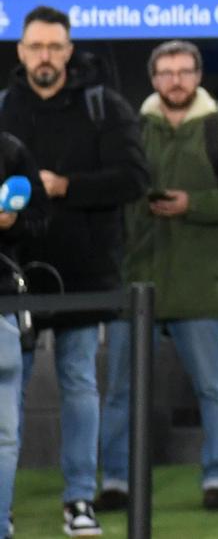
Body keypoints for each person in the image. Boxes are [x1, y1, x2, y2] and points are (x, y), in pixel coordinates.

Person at [1, 6, 147, 539]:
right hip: (13, 277)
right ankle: (2, 509)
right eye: (35, 46)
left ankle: (79, 500)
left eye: (54, 47)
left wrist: (67, 186)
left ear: (69, 49)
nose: (45, 56)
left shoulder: (104, 106)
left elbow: (135, 178)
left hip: (86, 273)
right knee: (6, 397)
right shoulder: (2, 110)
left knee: (80, 384)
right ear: (20, 50)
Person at [97, 41, 218, 515]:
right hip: (134, 280)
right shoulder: (128, 130)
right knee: (121, 391)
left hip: (200, 282)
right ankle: (115, 481)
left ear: (198, 75)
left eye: (184, 71)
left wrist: (195, 205)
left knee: (214, 388)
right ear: (152, 79)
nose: (175, 80)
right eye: (166, 72)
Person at [0, 103, 46, 539]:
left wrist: (11, 222)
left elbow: (40, 220)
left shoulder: (11, 152)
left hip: (2, 305)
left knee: (3, 433)